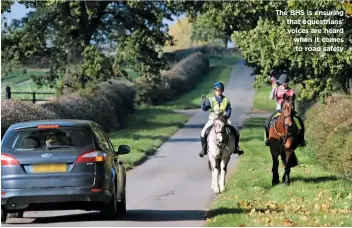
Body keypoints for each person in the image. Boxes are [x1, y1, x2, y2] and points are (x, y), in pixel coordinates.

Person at [199, 81, 244, 157]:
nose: (218, 91)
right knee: (203, 132)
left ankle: (236, 147)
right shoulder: (211, 99)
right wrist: (204, 103)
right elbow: (205, 109)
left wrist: (227, 115)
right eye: (216, 90)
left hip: (223, 119)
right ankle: (204, 149)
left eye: (219, 90)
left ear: (222, 90)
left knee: (236, 131)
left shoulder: (226, 100)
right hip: (213, 119)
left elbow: (229, 109)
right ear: (214, 90)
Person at [264, 74, 307, 147]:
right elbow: (271, 98)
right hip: (279, 110)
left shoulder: (291, 91)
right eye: (282, 83)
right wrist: (274, 88)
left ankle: (302, 140)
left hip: (289, 111)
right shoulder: (277, 88)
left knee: (300, 122)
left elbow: (292, 103)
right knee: (267, 122)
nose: (284, 85)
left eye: (285, 84)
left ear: (288, 83)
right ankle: (268, 139)